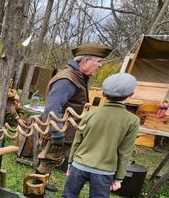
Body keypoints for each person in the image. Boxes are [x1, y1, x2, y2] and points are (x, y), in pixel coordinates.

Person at [44, 72, 140, 198]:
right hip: (104, 171)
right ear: (130, 95)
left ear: (103, 94)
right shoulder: (132, 121)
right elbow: (124, 152)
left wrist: (71, 163)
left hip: (79, 165)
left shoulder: (89, 115)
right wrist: (119, 178)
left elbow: (77, 141)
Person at [35, 44, 112, 181]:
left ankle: (42, 184)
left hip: (65, 129)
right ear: (86, 61)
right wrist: (57, 133)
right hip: (60, 129)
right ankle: (36, 193)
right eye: (99, 62)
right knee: (49, 159)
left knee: (52, 158)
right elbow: (53, 107)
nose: (100, 65)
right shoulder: (67, 79)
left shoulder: (77, 76)